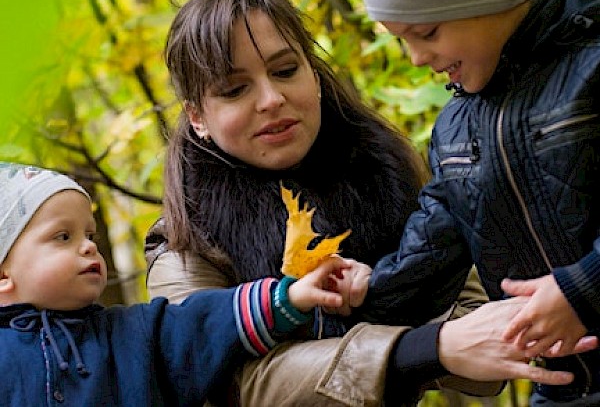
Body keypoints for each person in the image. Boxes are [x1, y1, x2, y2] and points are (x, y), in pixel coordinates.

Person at [143, 0, 593, 406]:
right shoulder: (186, 240)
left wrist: (378, 292)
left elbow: (470, 302)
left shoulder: (387, 173)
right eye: (235, 89)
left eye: (284, 70)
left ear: (313, 74)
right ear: (197, 116)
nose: (271, 99)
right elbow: (227, 383)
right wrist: (424, 349)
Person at [356, 0, 600, 404]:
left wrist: (584, 289)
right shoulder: (456, 128)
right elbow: (429, 253)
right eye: (400, 39)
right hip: (568, 390)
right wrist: (364, 291)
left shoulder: (592, 61)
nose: (416, 58)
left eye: (426, 33)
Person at [0, 162, 353, 406]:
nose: (89, 245)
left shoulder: (135, 334)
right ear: (3, 276)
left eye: (89, 234)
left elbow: (204, 324)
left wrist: (288, 297)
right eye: (63, 236)